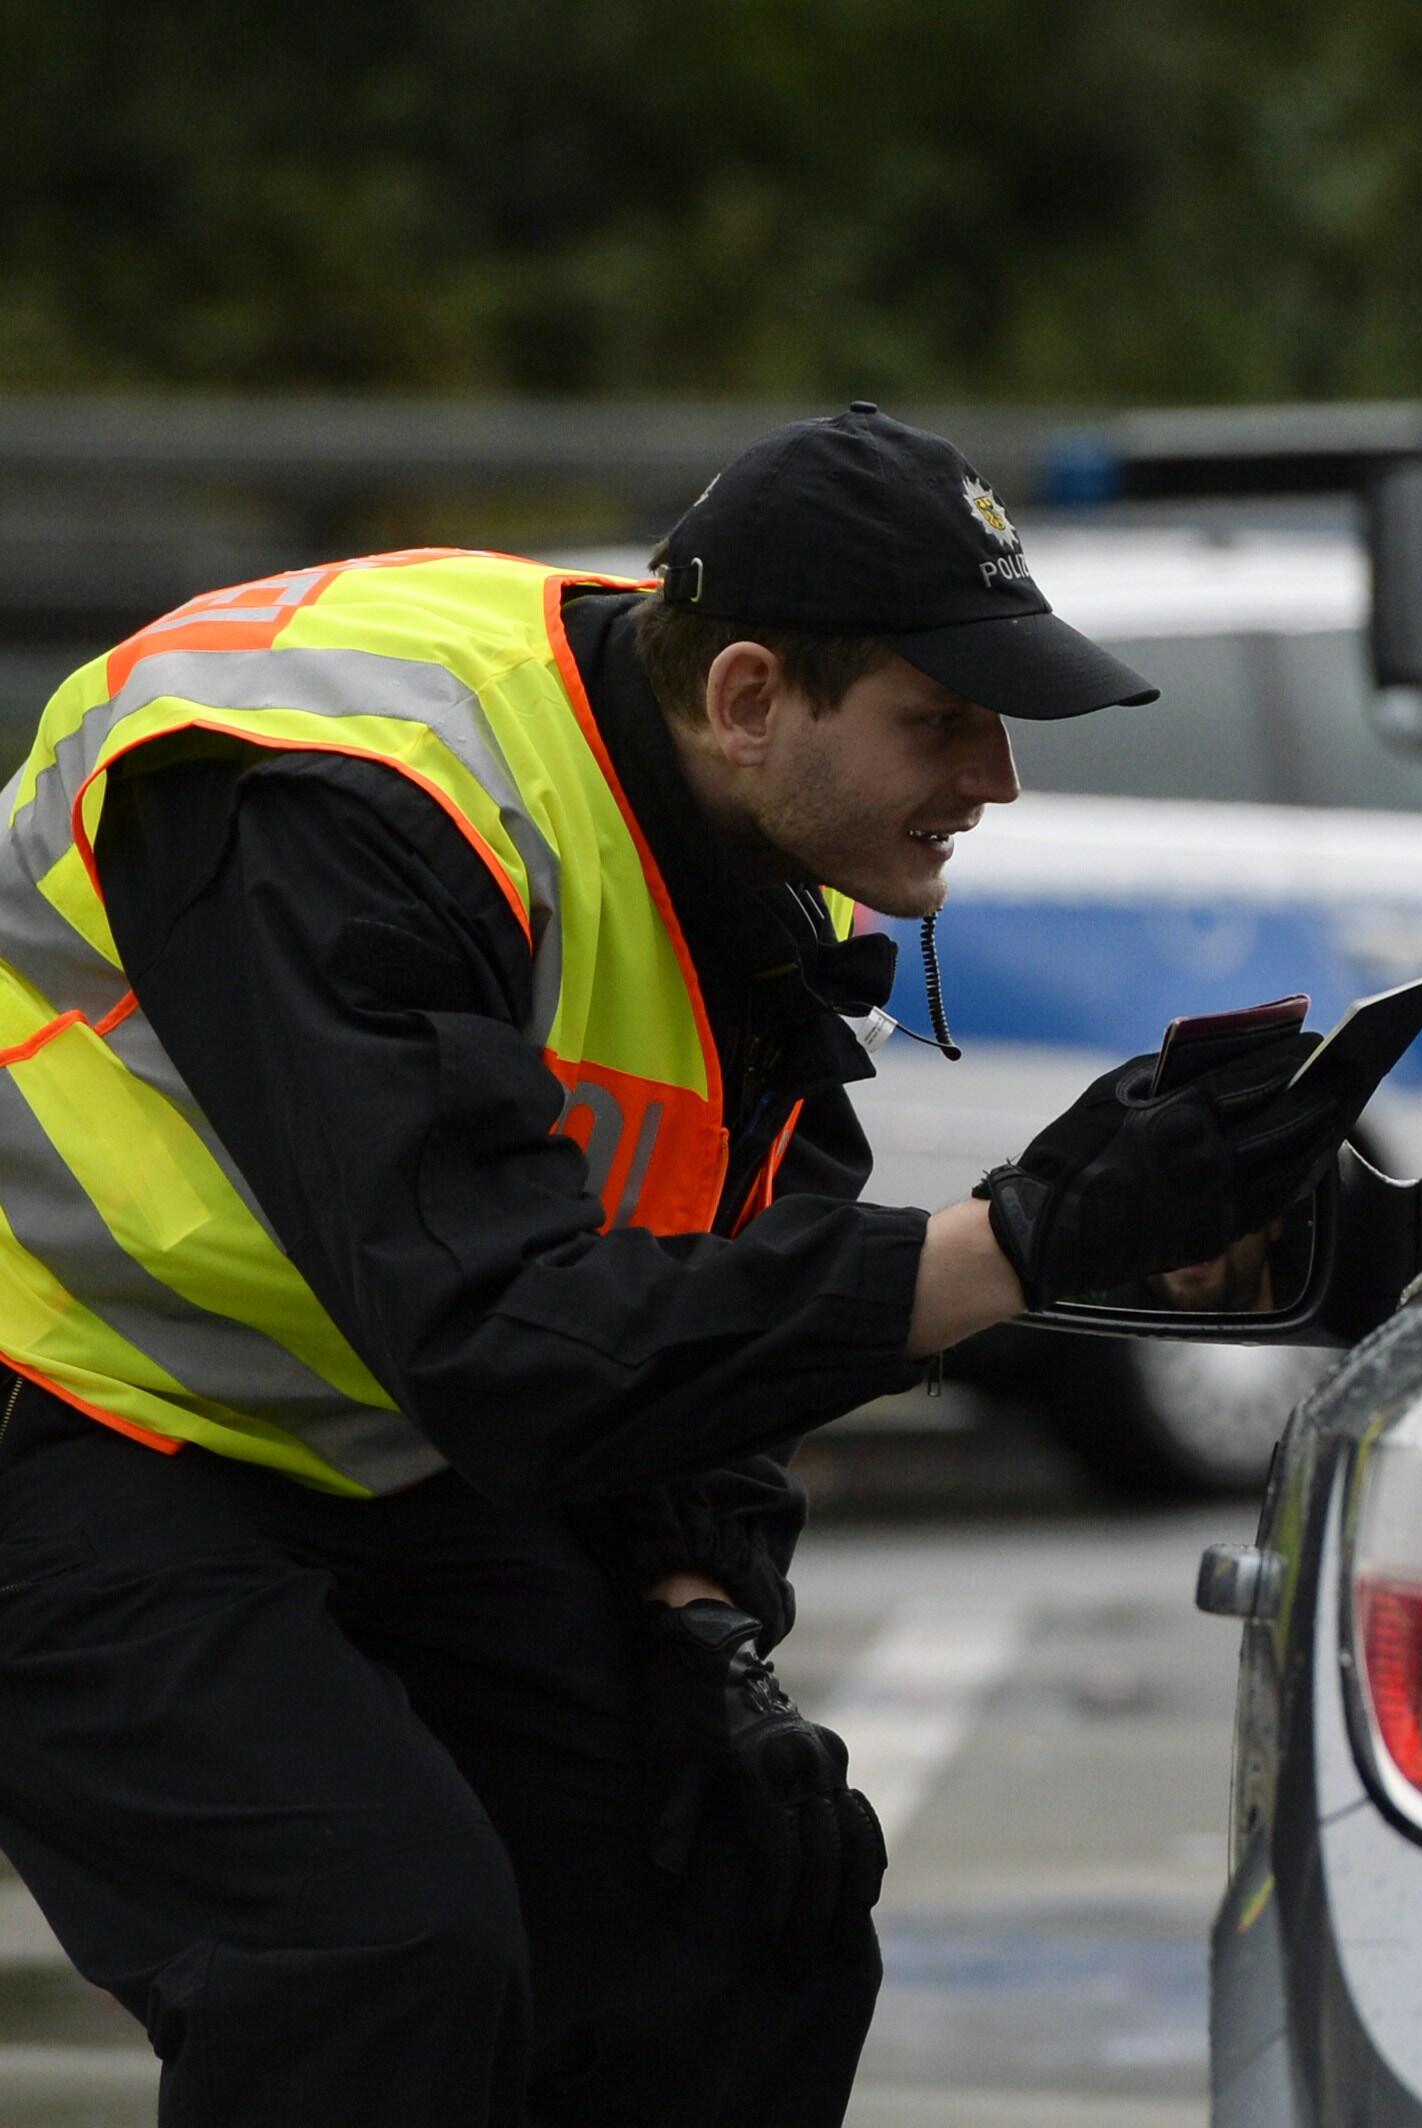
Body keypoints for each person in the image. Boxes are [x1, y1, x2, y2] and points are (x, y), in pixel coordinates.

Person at [0, 405, 1353, 2126]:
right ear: (747, 699)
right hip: (76, 1412)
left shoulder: (774, 847)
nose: (995, 780)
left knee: (743, 1890)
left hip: (387, 1427)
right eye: (943, 722)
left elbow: (711, 1260)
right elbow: (511, 1342)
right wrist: (1016, 1244)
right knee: (368, 1956)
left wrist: (698, 1609)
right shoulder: (336, 798)